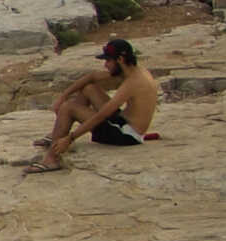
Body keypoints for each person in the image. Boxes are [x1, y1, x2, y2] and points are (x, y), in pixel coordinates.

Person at [31, 37, 159, 171]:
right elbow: (91, 77)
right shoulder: (134, 71)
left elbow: (101, 115)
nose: (105, 65)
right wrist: (63, 96)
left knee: (68, 108)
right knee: (89, 88)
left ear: (120, 59)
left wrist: (70, 138)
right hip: (124, 124)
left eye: (108, 60)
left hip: (127, 136)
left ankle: (52, 159)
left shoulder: (133, 82)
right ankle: (58, 134)